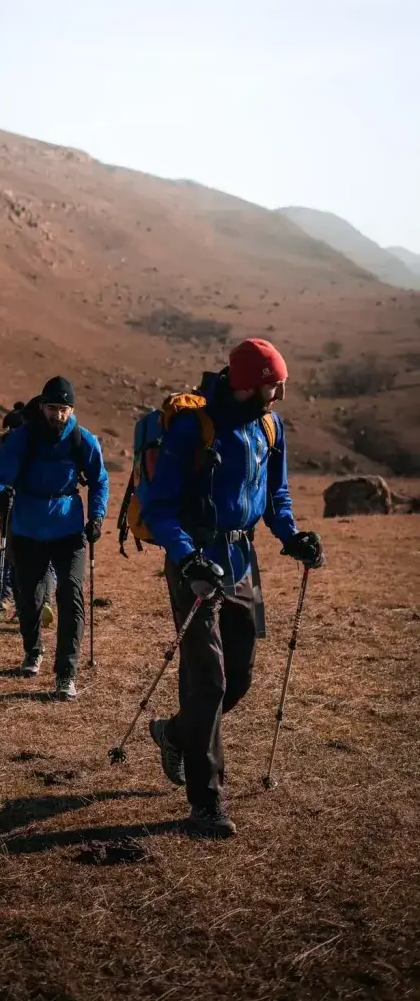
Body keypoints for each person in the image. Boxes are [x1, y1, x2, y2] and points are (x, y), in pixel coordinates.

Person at [142, 338, 324, 838]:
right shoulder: (190, 429)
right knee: (208, 681)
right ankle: (207, 801)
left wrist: (293, 538)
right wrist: (188, 558)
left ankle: (175, 733)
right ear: (249, 385)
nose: (281, 393)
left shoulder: (269, 425)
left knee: (238, 677)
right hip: (195, 565)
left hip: (242, 562)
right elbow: (159, 508)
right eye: (275, 384)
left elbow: (275, 493)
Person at [0, 376, 109, 700]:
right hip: (27, 529)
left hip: (69, 529)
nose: (58, 415)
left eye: (64, 409)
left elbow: (100, 480)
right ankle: (33, 649)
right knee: (29, 598)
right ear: (41, 407)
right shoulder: (22, 439)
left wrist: (97, 516)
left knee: (71, 594)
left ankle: (66, 674)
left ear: (72, 410)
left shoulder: (83, 440)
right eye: (52, 408)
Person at [0, 404, 56, 623]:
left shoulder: (4, 450)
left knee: (13, 556)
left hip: (13, 513)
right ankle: (40, 602)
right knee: (40, 558)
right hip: (30, 512)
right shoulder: (31, 445)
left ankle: (9, 598)